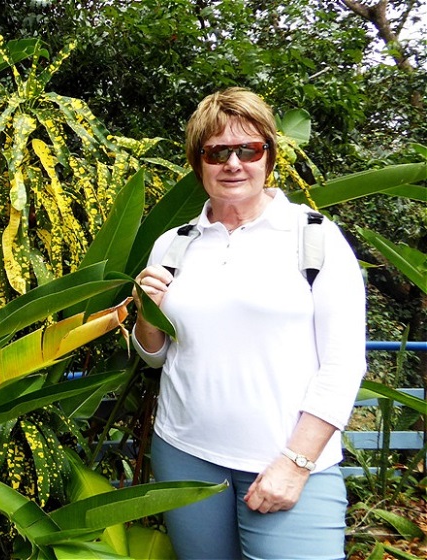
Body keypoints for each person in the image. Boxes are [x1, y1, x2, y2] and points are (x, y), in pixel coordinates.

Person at [132, 87, 366, 559]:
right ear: (199, 164)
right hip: (185, 453)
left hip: (289, 460)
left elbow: (343, 366)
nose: (233, 163)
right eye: (217, 152)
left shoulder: (313, 237)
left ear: (268, 157)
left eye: (249, 149)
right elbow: (155, 355)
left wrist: (296, 463)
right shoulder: (173, 244)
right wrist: (145, 315)